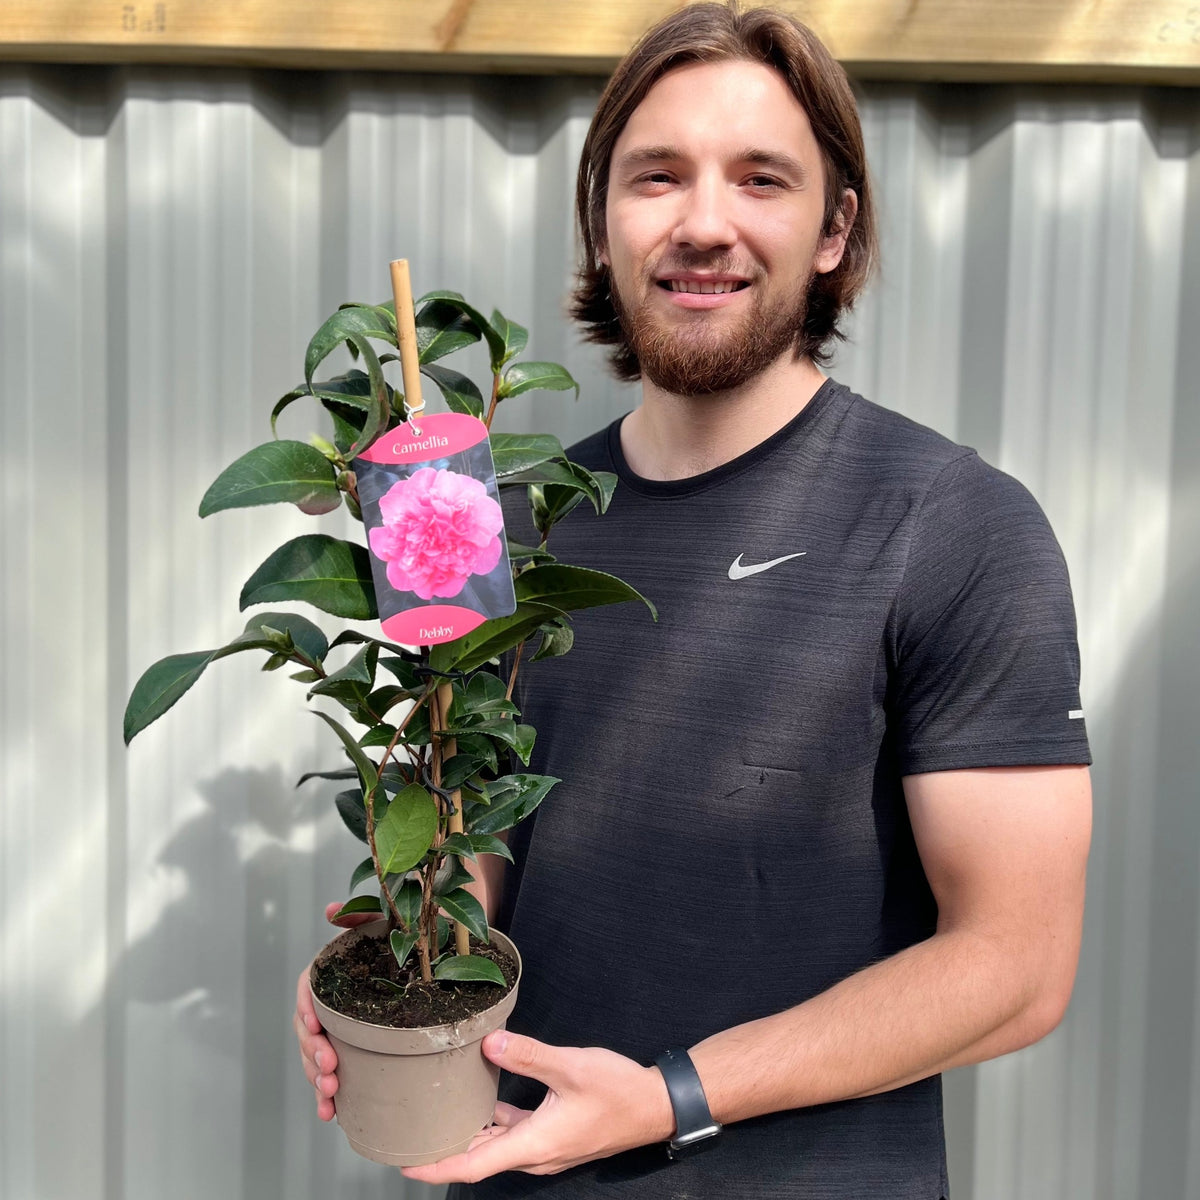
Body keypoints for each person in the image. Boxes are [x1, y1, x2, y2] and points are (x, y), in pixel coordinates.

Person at [294, 4, 1093, 1196]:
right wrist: (389, 961)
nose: (704, 223)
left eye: (762, 179)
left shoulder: (952, 524)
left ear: (836, 230)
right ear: (602, 220)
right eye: (656, 176)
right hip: (510, 1172)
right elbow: (470, 838)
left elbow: (1016, 965)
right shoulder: (491, 523)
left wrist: (670, 1097)